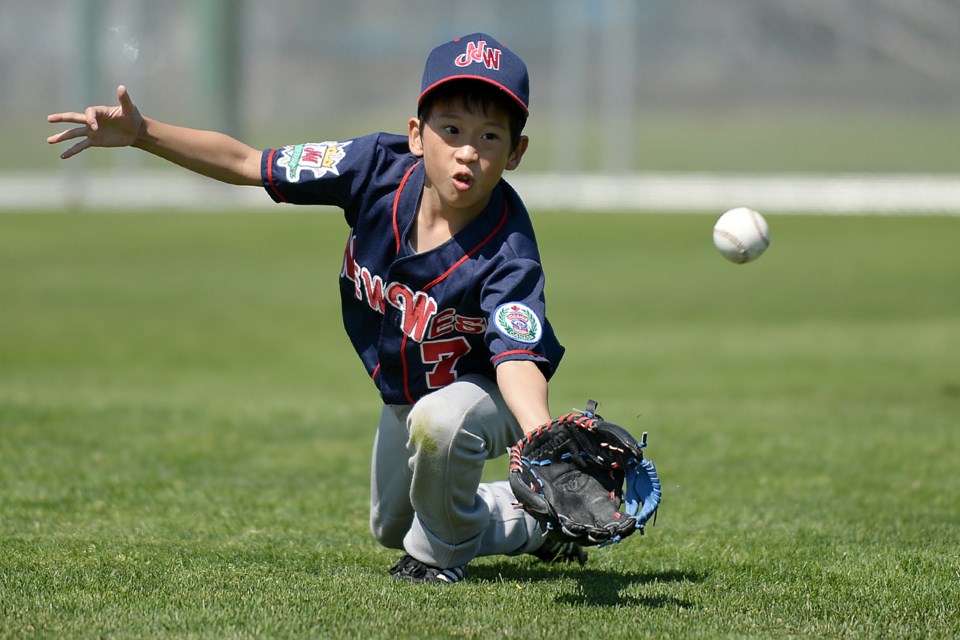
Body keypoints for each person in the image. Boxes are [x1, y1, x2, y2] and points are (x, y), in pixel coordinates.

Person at [47, 33, 585, 584]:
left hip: (485, 392)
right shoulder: (375, 168)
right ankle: (536, 526)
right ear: (417, 135)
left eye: (490, 135)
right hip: (407, 394)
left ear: (515, 152)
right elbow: (247, 163)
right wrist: (142, 133)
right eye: (451, 129)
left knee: (441, 429)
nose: (468, 150)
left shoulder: (508, 249)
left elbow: (517, 356)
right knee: (392, 526)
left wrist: (539, 436)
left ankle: (438, 563)